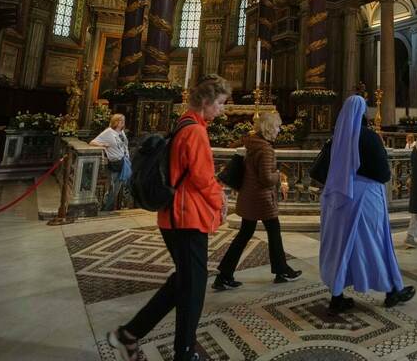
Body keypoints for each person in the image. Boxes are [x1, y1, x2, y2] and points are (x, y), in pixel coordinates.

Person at [107, 75, 230, 361]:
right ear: (207, 101)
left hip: (176, 216)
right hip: (186, 218)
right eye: (221, 103)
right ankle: (183, 352)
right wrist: (220, 200)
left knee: (184, 283)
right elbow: (201, 178)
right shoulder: (196, 132)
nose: (222, 109)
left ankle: (128, 335)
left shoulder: (185, 123)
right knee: (193, 287)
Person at [318, 95, 415, 315]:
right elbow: (383, 173)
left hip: (339, 200)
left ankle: (336, 296)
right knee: (375, 244)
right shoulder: (368, 137)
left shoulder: (336, 139)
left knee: (342, 247)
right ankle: (392, 290)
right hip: (365, 199)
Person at [214, 110, 302, 289]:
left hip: (249, 196)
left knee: (245, 234)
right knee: (273, 231)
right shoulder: (266, 149)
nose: (279, 130)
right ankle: (281, 270)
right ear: (269, 128)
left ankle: (224, 275)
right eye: (277, 126)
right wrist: (279, 175)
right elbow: (266, 179)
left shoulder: (251, 143)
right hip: (262, 199)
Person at [90, 113, 129, 211]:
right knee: (114, 187)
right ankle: (106, 207)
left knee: (121, 186)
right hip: (115, 162)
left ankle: (114, 206)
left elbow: (125, 146)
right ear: (115, 121)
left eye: (123, 120)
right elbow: (92, 142)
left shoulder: (122, 132)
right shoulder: (108, 132)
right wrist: (103, 145)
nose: (122, 122)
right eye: (120, 120)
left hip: (124, 162)